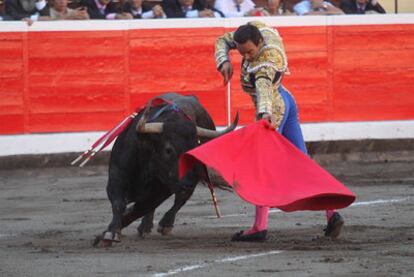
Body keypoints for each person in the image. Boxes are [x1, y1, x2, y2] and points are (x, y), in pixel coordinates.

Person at [215, 21, 344, 242]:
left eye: (249, 52)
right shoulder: (259, 32)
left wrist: (264, 114)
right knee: (303, 163)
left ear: (260, 43)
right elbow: (223, 40)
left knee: (261, 166)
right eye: (242, 52)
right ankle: (332, 212)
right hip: (287, 99)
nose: (245, 57)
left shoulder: (266, 62)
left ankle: (259, 227)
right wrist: (224, 59)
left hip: (274, 108)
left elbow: (264, 87)